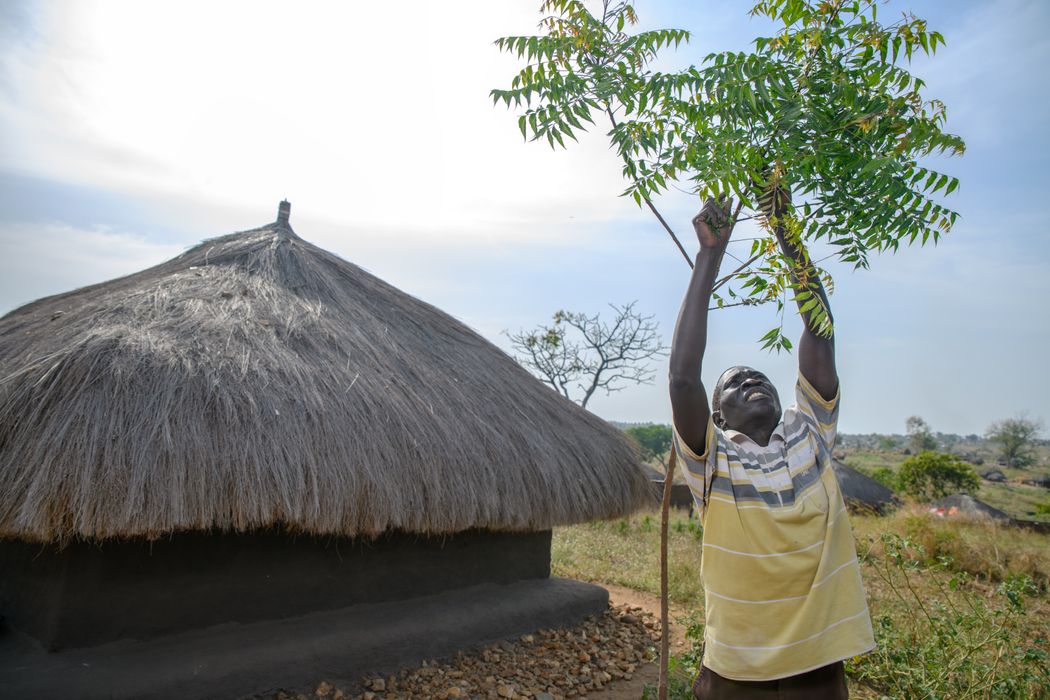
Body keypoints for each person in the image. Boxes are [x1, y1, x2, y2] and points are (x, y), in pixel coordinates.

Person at [669, 192, 875, 699]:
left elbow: (819, 334)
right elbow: (681, 380)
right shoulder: (713, 461)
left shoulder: (811, 434)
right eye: (735, 385)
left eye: (759, 377)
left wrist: (783, 226)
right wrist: (709, 257)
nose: (751, 383)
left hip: (819, 662)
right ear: (718, 416)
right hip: (736, 669)